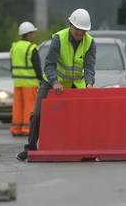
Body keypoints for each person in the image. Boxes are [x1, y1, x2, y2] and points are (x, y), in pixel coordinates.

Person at [16, 8, 96, 162]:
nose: (80, 33)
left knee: (83, 116)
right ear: (71, 25)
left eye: (84, 30)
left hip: (75, 84)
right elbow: (49, 65)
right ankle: (31, 148)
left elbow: (90, 67)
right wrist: (54, 82)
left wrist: (89, 83)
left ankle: (83, 148)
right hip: (52, 82)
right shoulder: (59, 39)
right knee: (38, 113)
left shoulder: (90, 43)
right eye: (78, 29)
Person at [9, 21, 44, 137]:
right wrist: (41, 78)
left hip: (17, 82)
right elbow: (37, 67)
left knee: (17, 106)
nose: (33, 35)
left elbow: (11, 65)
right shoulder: (31, 47)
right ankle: (27, 128)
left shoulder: (14, 46)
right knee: (30, 106)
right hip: (29, 82)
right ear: (27, 34)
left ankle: (16, 128)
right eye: (32, 33)